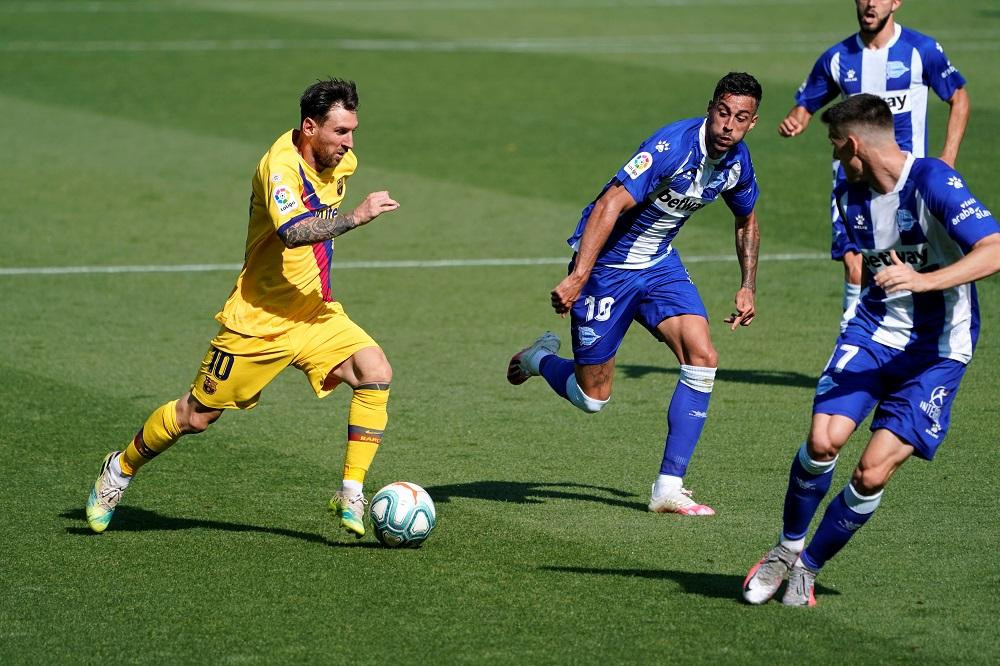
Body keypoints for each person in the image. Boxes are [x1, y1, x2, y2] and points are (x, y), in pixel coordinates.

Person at [85, 78, 400, 538]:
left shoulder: (343, 162)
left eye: (353, 131)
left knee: (375, 370)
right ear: (309, 128)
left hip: (314, 311)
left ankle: (351, 490)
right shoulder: (279, 168)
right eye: (340, 133)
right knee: (196, 416)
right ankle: (119, 469)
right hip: (258, 319)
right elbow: (292, 232)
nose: (349, 144)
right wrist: (355, 218)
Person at [743, 94, 1000, 606]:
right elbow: (863, 263)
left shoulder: (933, 182)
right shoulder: (851, 196)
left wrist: (925, 282)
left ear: (855, 144)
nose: (835, 158)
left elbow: (994, 248)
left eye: (837, 148)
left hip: (938, 351)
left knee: (872, 470)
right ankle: (785, 549)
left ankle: (808, 568)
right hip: (874, 333)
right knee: (822, 441)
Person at [507, 72, 762, 516]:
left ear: (751, 123)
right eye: (723, 113)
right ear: (710, 108)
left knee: (702, 357)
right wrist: (579, 276)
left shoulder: (738, 162)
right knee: (592, 399)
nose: (728, 125)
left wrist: (747, 285)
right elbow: (609, 204)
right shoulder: (671, 147)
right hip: (606, 271)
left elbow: (747, 219)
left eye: (740, 118)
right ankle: (539, 358)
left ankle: (668, 486)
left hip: (660, 266)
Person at [779, 0, 969, 332]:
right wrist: (798, 118)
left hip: (908, 182)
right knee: (855, 263)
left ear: (895, 2)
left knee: (914, 261)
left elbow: (958, 97)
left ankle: (916, 338)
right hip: (850, 181)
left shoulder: (921, 50)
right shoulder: (838, 57)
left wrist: (947, 159)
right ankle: (850, 334)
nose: (870, 4)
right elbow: (806, 103)